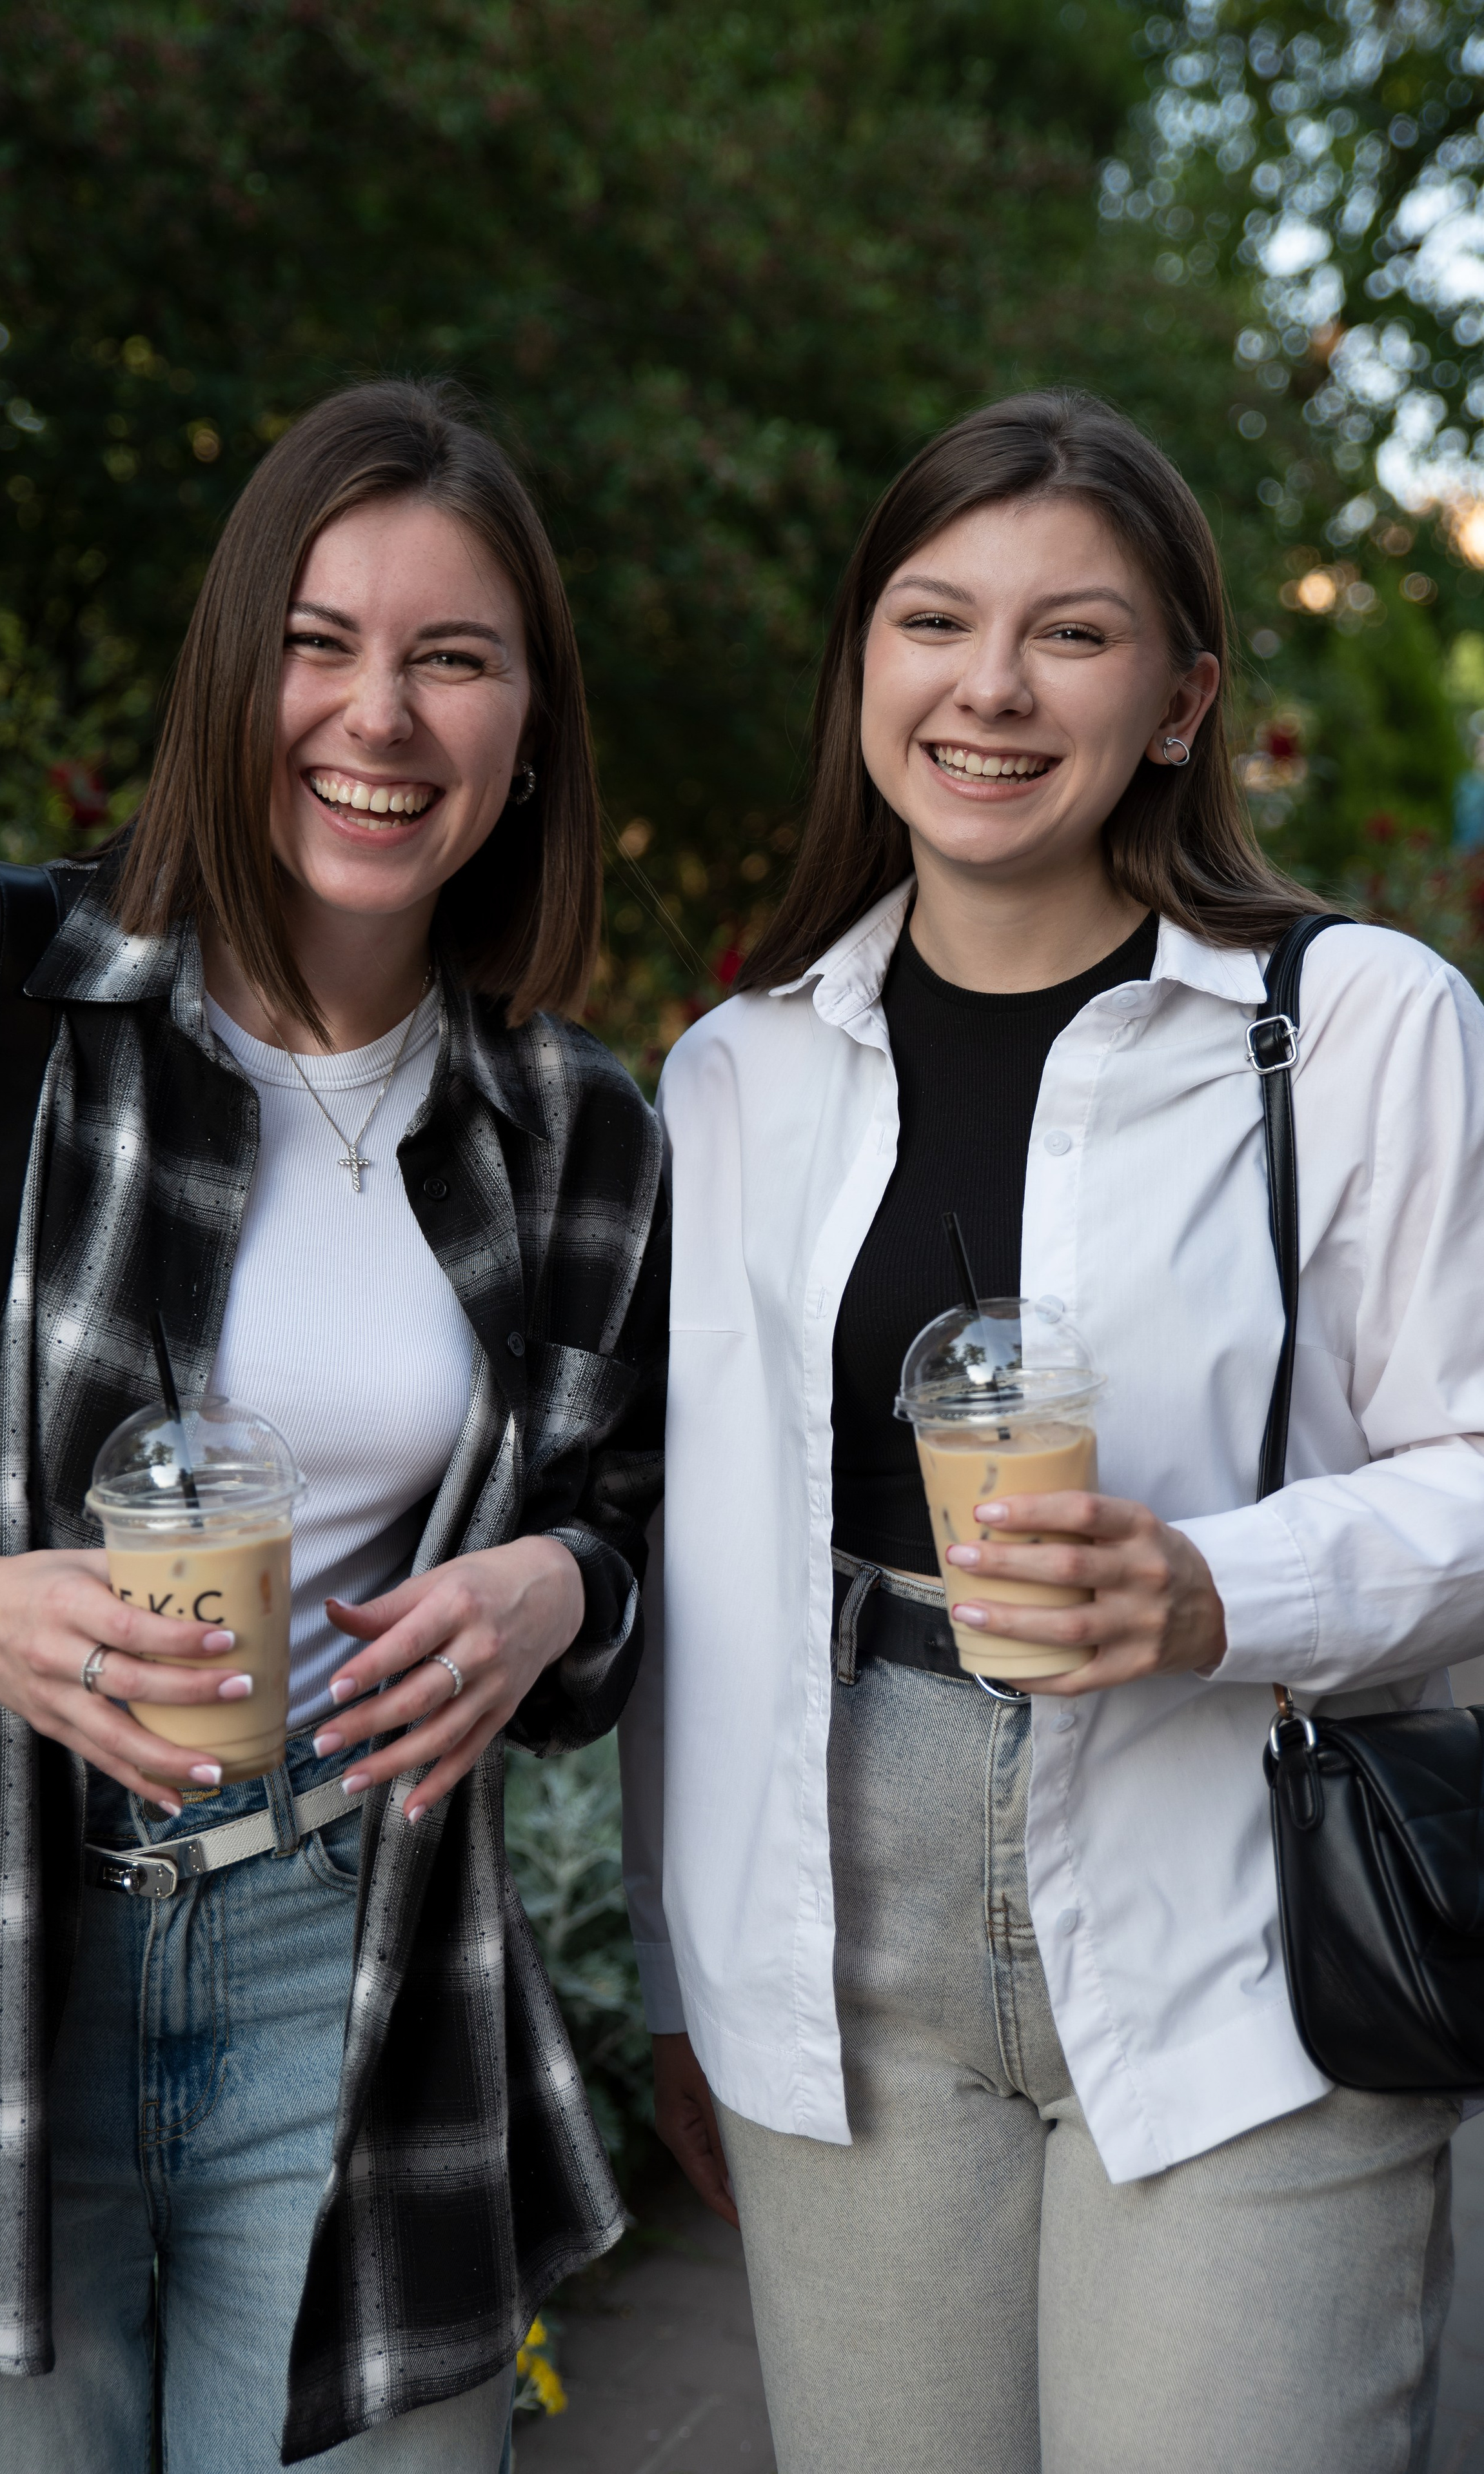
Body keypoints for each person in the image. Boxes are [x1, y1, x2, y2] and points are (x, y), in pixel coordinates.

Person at [621, 388, 1484, 2474]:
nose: (990, 686)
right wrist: (680, 1973)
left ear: (1182, 702)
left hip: (1244, 1908)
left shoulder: (1354, 1026)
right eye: (935, 620)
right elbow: (702, 1562)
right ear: (867, 673)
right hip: (848, 1933)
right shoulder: (734, 1073)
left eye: (1072, 634)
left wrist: (1219, 1585)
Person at [0, 378, 666, 2472]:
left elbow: (642, 1535)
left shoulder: (573, 1133)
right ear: (234, 675)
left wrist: (554, 1589)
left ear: (527, 728)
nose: (379, 716)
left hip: (357, 1978)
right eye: (322, 642)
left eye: (452, 660)